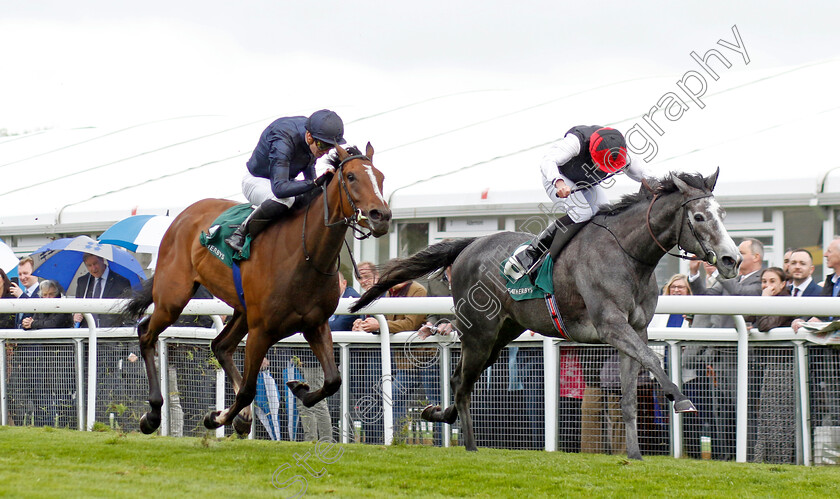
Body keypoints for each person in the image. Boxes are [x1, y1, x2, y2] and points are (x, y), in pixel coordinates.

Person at [503, 125, 648, 282]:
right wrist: (558, 183)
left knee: (606, 216)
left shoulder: (620, 153)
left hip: (586, 182)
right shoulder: (576, 142)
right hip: (557, 177)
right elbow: (547, 161)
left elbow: (645, 174)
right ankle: (532, 252)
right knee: (582, 213)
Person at [225, 109, 346, 252]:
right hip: (256, 181)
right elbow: (280, 189)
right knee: (286, 200)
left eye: (330, 147)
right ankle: (240, 234)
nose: (326, 151)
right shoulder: (284, 138)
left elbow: (311, 183)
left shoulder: (315, 135)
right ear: (309, 136)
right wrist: (315, 183)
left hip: (283, 182)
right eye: (323, 145)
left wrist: (324, 183)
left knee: (311, 198)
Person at [688, 238, 764, 460]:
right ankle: (726, 459)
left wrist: (722, 269)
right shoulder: (733, 278)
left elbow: (742, 295)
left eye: (741, 252)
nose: (737, 255)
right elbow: (705, 300)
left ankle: (747, 458)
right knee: (722, 412)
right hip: (719, 357)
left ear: (756, 257)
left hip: (741, 358)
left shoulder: (763, 279)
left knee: (742, 411)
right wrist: (694, 274)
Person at [751, 267, 796, 463]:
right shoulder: (772, 299)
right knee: (768, 415)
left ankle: (782, 458)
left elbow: (765, 325)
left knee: (780, 416)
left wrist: (764, 299)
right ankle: (767, 458)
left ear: (783, 284)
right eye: (764, 282)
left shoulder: (784, 300)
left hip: (784, 367)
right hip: (771, 366)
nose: (767, 286)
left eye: (772, 282)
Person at [72, 253, 131, 327]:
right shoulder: (83, 281)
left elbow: (127, 311)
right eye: (89, 265)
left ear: (102, 260)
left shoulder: (122, 282)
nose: (93, 268)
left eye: (95, 263)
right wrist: (76, 315)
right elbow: (77, 307)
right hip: (87, 333)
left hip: (110, 333)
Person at [9, 256, 40, 329]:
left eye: (25, 273)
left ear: (35, 272)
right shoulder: (19, 293)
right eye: (20, 274)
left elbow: (36, 311)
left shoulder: (42, 292)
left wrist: (21, 296)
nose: (22, 278)